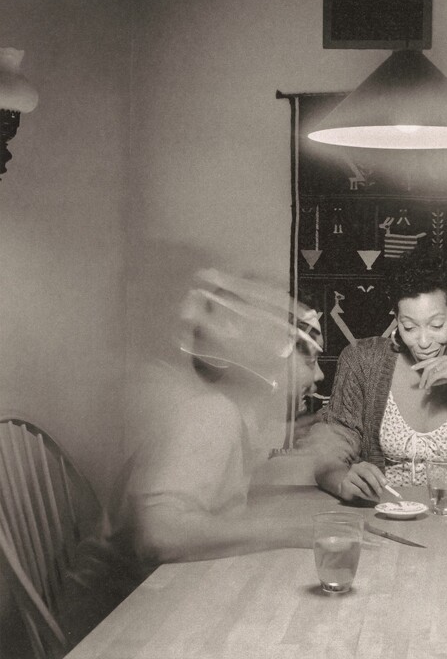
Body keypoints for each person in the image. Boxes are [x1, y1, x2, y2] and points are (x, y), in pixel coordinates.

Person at [63, 269, 324, 643]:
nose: (317, 377)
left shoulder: (222, 412)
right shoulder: (211, 414)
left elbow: (215, 496)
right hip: (109, 627)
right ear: (274, 361)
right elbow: (160, 534)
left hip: (147, 605)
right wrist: (291, 532)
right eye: (310, 360)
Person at [314, 249, 447, 502]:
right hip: (383, 515)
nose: (423, 342)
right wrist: (341, 481)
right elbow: (329, 454)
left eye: (436, 325)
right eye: (409, 327)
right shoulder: (363, 361)